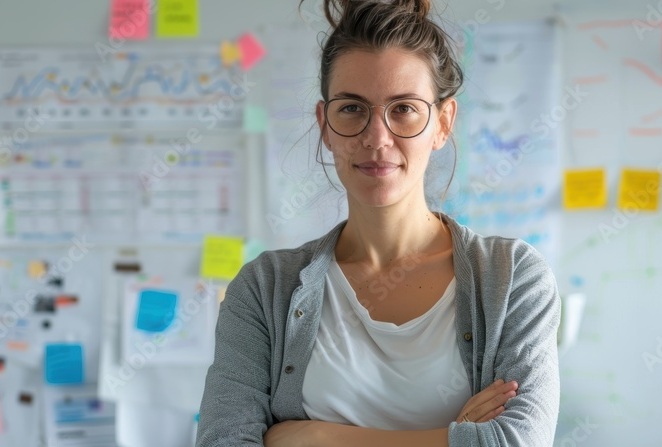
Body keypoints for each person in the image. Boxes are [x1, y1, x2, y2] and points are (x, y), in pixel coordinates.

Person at [196, 0, 560, 446]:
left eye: (403, 108)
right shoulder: (264, 287)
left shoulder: (512, 278)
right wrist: (455, 438)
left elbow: (517, 440)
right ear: (325, 124)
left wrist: (314, 437)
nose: (377, 138)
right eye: (352, 108)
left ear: (443, 124)